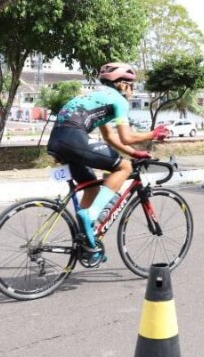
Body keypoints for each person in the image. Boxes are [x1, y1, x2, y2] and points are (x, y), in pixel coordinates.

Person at [46, 62, 170, 261]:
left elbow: (111, 138)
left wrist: (135, 153)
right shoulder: (119, 101)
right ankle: (92, 214)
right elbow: (127, 137)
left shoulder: (97, 96)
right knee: (124, 167)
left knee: (91, 187)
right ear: (123, 85)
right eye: (132, 85)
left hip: (57, 140)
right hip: (74, 138)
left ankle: (87, 242)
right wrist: (153, 134)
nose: (132, 90)